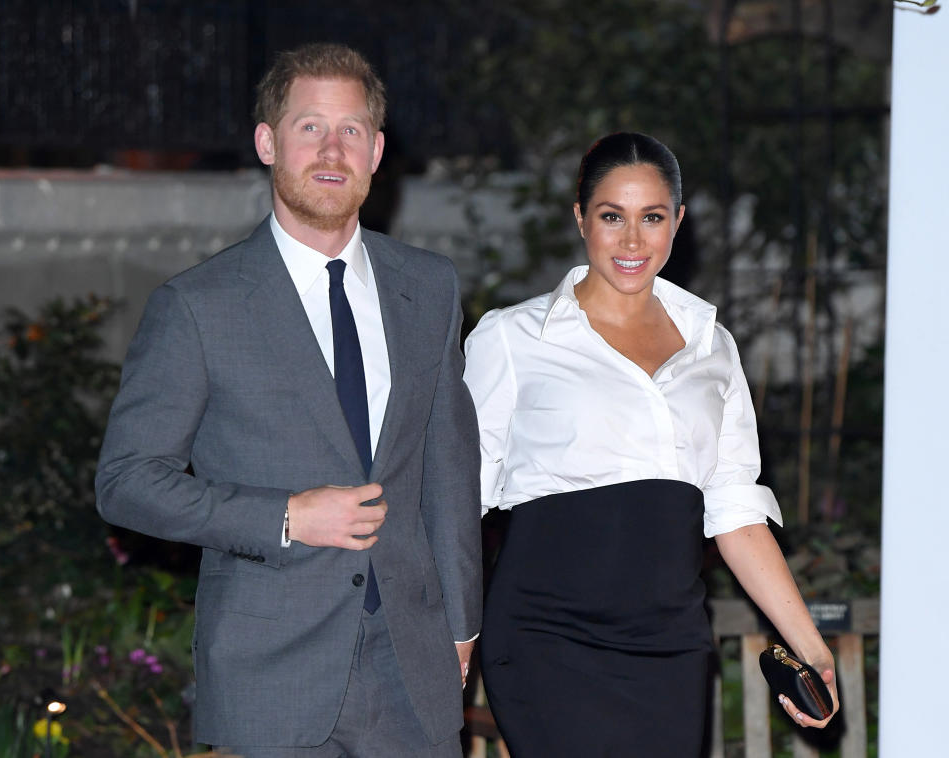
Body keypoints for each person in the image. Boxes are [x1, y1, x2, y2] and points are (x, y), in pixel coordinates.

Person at [95, 43, 482, 757]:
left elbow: (448, 464)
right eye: (310, 127)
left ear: (377, 151)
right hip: (271, 675)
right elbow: (126, 483)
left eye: (352, 131)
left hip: (412, 668)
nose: (332, 149)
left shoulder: (428, 286)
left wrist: (462, 623)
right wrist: (285, 517)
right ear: (268, 142)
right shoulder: (198, 306)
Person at [463, 132, 839, 757]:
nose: (632, 241)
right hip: (545, 637)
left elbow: (736, 514)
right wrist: (450, 634)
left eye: (652, 218)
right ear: (581, 218)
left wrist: (811, 647)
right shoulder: (511, 338)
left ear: (678, 222)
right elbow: (457, 502)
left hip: (671, 645)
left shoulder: (711, 345)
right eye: (612, 217)